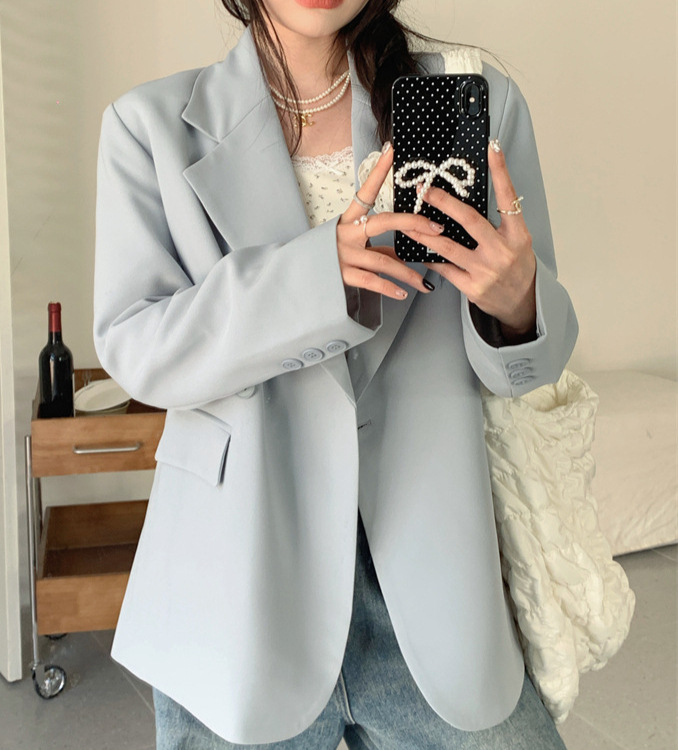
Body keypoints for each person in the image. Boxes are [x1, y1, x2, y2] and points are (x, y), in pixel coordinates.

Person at [93, 1, 578, 747]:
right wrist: (317, 278)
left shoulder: (473, 99)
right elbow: (138, 350)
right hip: (238, 585)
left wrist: (518, 304)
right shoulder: (149, 125)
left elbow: (533, 364)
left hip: (434, 577)